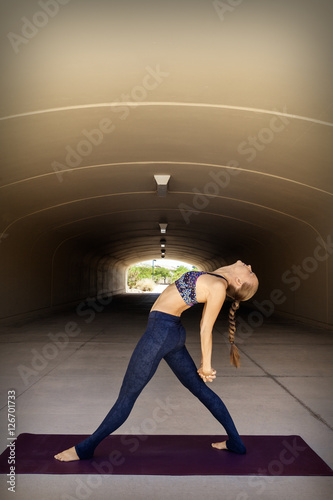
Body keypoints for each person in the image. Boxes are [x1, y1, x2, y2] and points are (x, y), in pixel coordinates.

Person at [54, 260, 258, 461]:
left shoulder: (218, 287)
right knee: (200, 391)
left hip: (160, 334)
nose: (249, 266)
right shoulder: (216, 278)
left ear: (238, 281)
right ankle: (235, 443)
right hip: (171, 332)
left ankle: (85, 449)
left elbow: (206, 328)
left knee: (127, 396)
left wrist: (206, 365)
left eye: (250, 272)